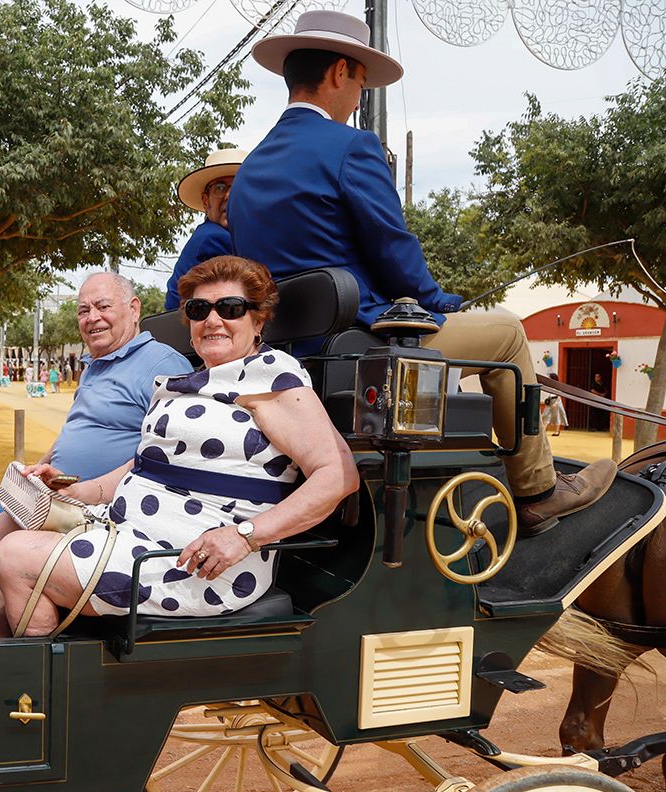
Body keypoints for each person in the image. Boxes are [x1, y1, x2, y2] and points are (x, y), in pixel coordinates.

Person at [226, 10, 616, 536]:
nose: (360, 96)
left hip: (297, 352)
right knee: (505, 333)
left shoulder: (250, 170)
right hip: (366, 343)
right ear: (340, 73)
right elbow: (394, 252)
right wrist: (439, 301)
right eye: (361, 82)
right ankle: (539, 489)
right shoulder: (350, 147)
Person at [0, 257, 359, 636]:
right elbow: (143, 467)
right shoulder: (195, 380)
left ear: (258, 319)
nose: (212, 320)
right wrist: (74, 489)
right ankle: (1, 648)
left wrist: (245, 536)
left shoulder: (271, 377)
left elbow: (338, 475)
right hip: (130, 529)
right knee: (10, 518)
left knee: (16, 557)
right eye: (199, 310)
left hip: (196, 562)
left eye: (230, 308)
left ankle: (34, 685)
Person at [0, 273, 193, 616]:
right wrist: (40, 468)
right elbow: (75, 430)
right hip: (64, 491)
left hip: (104, 505)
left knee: (2, 519)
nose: (92, 318)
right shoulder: (94, 366)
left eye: (103, 306)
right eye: (83, 310)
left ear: (134, 309)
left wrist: (85, 490)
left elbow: (162, 453)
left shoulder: (163, 365)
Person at [164, 148, 245, 311]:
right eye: (220, 188)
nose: (229, 196)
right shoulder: (214, 239)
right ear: (205, 201)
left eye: (237, 187)